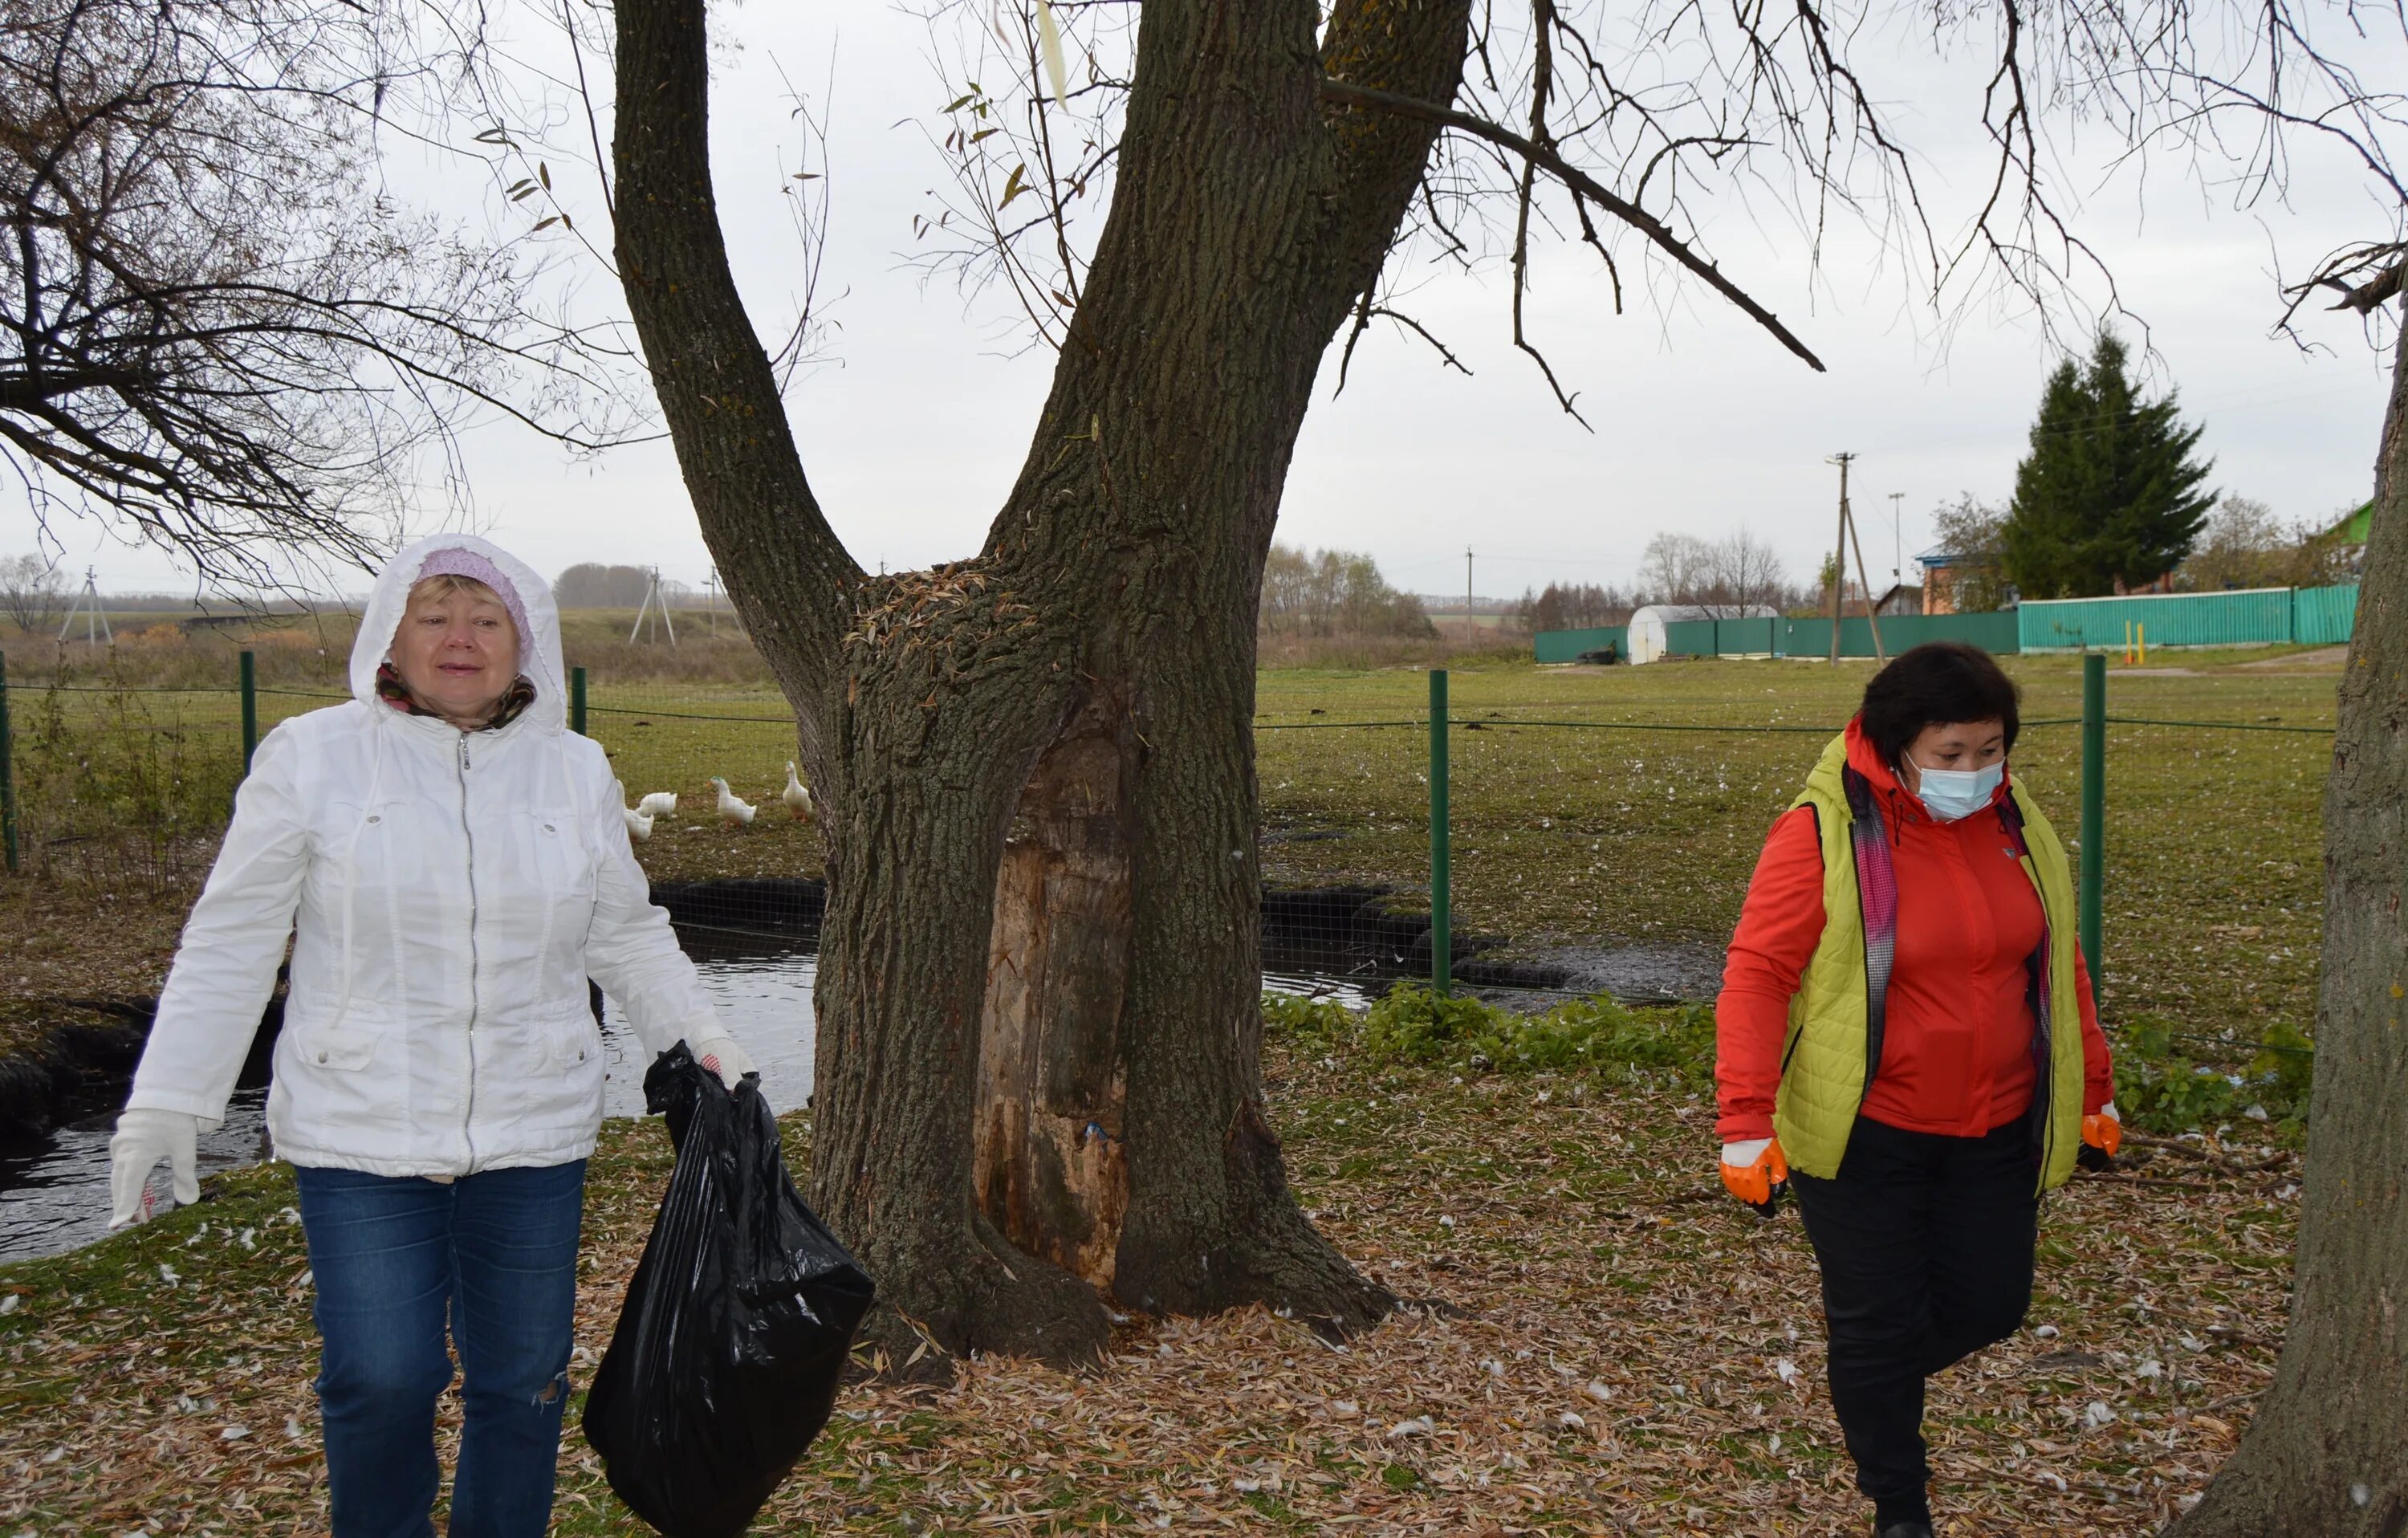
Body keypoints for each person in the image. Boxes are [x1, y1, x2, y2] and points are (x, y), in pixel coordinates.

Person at [104, 535, 756, 1538]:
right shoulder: (311, 757)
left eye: (487, 618)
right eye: (436, 614)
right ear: (389, 637)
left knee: (524, 1381)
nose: (462, 637)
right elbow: (232, 941)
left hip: (532, 1129)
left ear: (522, 642)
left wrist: (704, 1037)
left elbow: (623, 930)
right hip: (359, 1127)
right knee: (380, 1377)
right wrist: (167, 1103)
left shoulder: (574, 771)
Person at [1714, 642, 2119, 1538]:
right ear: (1896, 744)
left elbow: (2060, 961)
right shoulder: (1823, 830)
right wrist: (1743, 1120)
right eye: (1951, 754)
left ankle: (1870, 1374)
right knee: (1875, 1320)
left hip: (1998, 1123)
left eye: (1990, 750)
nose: (1974, 772)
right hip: (1868, 1134)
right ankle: (1900, 1507)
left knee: (1991, 1305)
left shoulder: (2017, 822)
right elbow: (1756, 973)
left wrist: (2094, 1084)